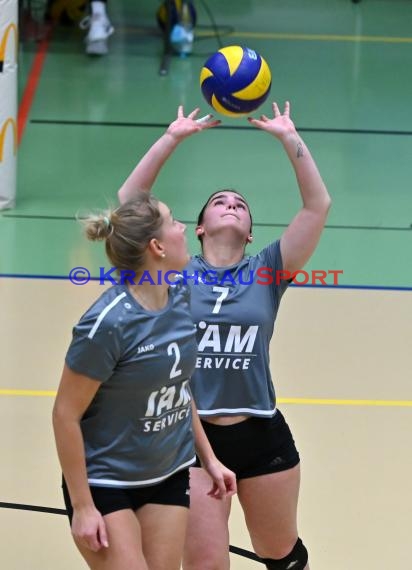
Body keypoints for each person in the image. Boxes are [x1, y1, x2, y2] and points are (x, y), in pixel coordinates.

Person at [117, 102, 332, 570]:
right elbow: (130, 200)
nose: (231, 204)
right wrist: (172, 137)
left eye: (240, 204)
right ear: (197, 229)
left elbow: (318, 206)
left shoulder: (270, 269)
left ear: (251, 234)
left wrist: (289, 138)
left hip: (260, 431)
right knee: (206, 563)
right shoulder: (172, 272)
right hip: (189, 438)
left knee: (280, 554)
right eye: (220, 201)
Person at [52, 192, 237, 570]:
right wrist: (83, 506)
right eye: (173, 222)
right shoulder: (108, 324)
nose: (183, 228)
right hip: (105, 480)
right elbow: (64, 415)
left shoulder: (181, 297)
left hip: (167, 472)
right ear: (156, 246)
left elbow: (178, 389)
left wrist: (210, 458)